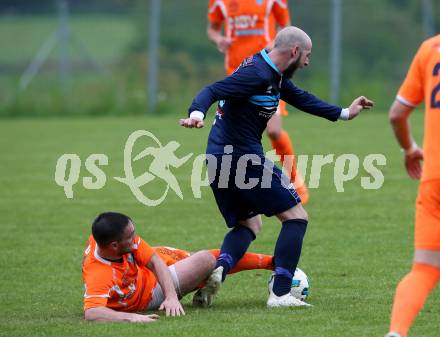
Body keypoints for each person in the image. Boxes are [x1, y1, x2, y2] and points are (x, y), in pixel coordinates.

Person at [180, 26, 373, 307]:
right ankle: (281, 293)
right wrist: (196, 113)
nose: (307, 62)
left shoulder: (270, 72)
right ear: (294, 51)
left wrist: (345, 113)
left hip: (217, 158)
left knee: (249, 224)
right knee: (296, 217)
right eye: (307, 55)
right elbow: (213, 89)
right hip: (241, 158)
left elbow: (301, 98)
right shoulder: (257, 74)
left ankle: (220, 269)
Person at [82, 212, 275, 322]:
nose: (136, 239)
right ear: (114, 245)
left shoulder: (115, 241)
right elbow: (92, 312)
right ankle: (274, 264)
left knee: (198, 258)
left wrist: (172, 297)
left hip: (149, 271)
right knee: (205, 260)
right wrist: (132, 318)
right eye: (130, 236)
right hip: (149, 295)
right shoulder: (99, 274)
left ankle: (274, 263)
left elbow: (154, 262)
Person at [207, 0, 310, 203]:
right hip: (237, 75)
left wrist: (276, 45)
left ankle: (295, 181)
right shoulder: (220, 2)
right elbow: (212, 29)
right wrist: (219, 39)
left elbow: (287, 26)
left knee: (274, 131)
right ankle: (242, 184)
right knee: (235, 133)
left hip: (268, 72)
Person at [385, 34, 440, 337]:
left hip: (434, 177)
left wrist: (409, 148)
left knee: (425, 269)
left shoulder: (430, 49)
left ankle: (396, 333)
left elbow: (396, 114)